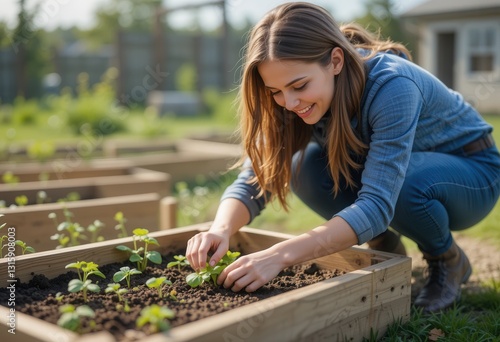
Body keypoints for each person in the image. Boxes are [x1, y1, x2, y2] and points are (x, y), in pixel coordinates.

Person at [186, 2, 500, 313]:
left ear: (335, 60)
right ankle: (385, 252)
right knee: (301, 167)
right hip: (410, 175)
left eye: (299, 85)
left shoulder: (393, 86)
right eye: (275, 91)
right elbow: (258, 176)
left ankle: (447, 260)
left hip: (472, 173)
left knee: (403, 184)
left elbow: (377, 204)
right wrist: (220, 229)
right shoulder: (293, 99)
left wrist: (279, 256)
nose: (289, 102)